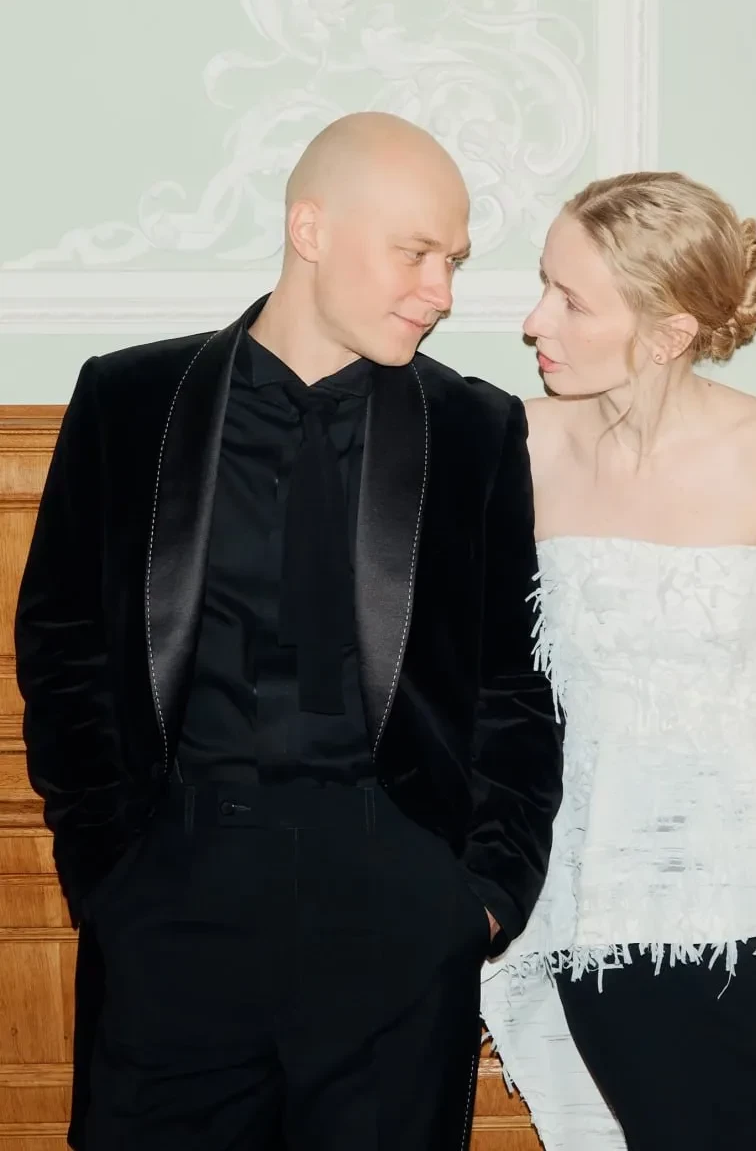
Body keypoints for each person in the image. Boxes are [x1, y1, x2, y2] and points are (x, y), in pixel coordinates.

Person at [16, 111, 563, 1151]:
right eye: (415, 253)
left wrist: (484, 895)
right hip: (173, 895)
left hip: (396, 900)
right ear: (310, 229)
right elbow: (63, 643)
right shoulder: (129, 400)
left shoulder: (475, 428)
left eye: (452, 261)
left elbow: (513, 680)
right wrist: (108, 865)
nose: (442, 292)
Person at [480, 171, 756, 1151]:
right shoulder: (520, 445)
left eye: (571, 299)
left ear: (668, 332)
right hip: (601, 910)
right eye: (544, 283)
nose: (534, 319)